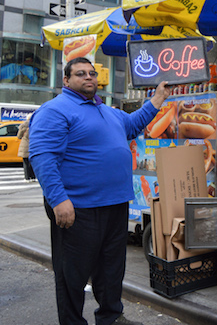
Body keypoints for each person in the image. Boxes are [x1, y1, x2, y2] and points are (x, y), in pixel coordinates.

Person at [29, 57, 171, 325]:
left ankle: (111, 317)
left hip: (115, 204)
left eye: (92, 73)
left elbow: (134, 123)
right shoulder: (55, 110)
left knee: (111, 268)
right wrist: (58, 199)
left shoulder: (108, 111)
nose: (89, 77)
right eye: (80, 73)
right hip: (79, 208)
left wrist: (159, 98)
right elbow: (43, 156)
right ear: (66, 80)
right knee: (72, 274)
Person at [17, 112, 35, 182]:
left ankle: (27, 178)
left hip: (25, 145)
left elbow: (19, 136)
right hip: (33, 144)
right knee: (32, 162)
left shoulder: (23, 126)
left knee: (26, 162)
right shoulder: (34, 125)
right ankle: (33, 177)